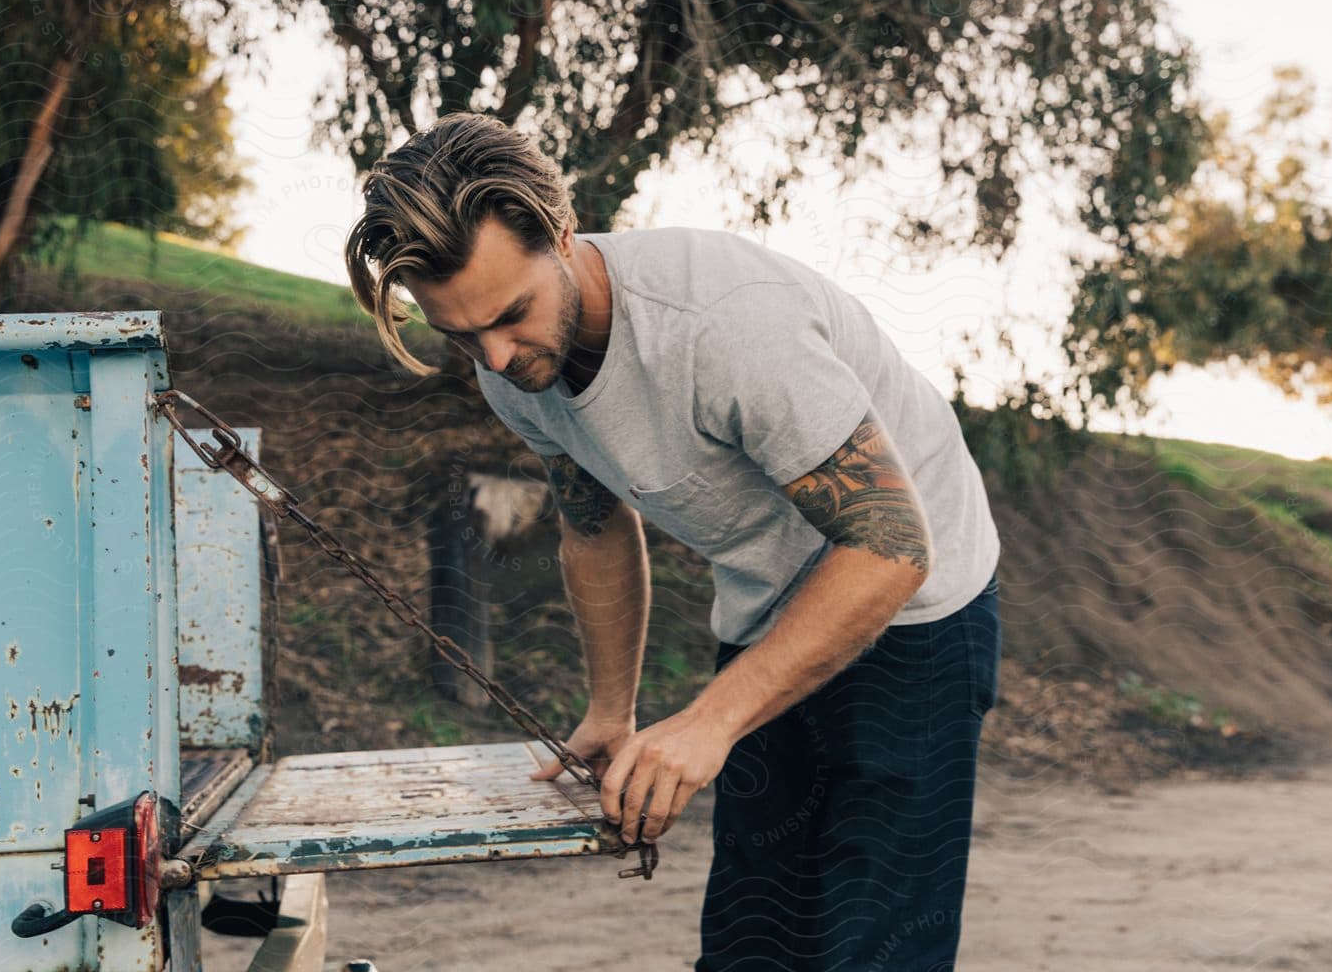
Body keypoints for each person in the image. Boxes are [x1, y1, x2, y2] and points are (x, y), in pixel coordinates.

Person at [343, 111, 1002, 971]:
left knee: (868, 951)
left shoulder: (725, 326)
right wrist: (613, 711)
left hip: (919, 608)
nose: (496, 358)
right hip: (772, 606)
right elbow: (596, 525)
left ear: (562, 233)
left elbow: (890, 546)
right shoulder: (514, 371)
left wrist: (709, 722)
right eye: (459, 335)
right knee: (750, 939)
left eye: (509, 316)